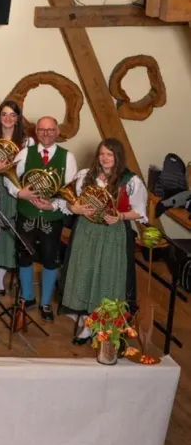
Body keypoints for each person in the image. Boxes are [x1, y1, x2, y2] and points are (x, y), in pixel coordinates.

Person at [61, 138, 147, 343]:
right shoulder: (85, 175)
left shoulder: (131, 181)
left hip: (113, 234)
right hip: (86, 231)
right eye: (102, 154)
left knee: (108, 277)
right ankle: (86, 325)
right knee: (84, 274)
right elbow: (70, 203)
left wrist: (120, 216)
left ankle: (103, 326)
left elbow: (140, 212)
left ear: (118, 157)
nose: (105, 158)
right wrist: (76, 208)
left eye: (110, 154)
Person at [7, 116, 76, 320]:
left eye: (50, 129)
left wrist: (53, 204)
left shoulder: (68, 157)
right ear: (36, 132)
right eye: (42, 130)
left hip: (51, 216)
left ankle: (45, 302)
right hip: (27, 213)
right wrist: (20, 193)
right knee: (24, 256)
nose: (46, 133)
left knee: (50, 259)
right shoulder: (25, 153)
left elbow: (70, 190)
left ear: (57, 132)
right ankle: (27, 297)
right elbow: (9, 177)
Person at [0, 100, 32, 293]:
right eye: (4, 114)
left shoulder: (27, 141)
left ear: (18, 118)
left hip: (13, 188)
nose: (8, 118)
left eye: (12, 115)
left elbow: (28, 169)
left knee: (8, 229)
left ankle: (0, 276)